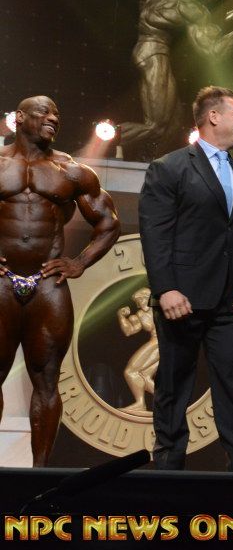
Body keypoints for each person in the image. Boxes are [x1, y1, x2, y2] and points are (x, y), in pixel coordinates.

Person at [139, 86, 233, 471]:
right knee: (173, 382)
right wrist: (166, 289)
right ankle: (168, 465)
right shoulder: (170, 167)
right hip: (182, 299)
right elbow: (155, 234)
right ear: (214, 117)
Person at [0, 95, 120, 466]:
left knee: (47, 379)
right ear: (20, 117)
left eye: (57, 113)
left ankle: (40, 475)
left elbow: (108, 223)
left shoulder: (71, 170)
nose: (53, 117)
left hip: (47, 285)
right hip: (1, 283)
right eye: (44, 112)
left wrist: (79, 261)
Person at [120, 0, 233, 160]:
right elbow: (212, 52)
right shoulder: (193, 8)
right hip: (153, 52)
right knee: (156, 124)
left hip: (151, 51)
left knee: (173, 123)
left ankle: (151, 160)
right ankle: (101, 143)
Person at [118, 287, 159, 415]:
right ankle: (169, 403)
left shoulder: (160, 307)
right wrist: (121, 316)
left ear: (148, 297)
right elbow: (129, 331)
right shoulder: (140, 315)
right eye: (137, 301)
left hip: (163, 343)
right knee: (144, 376)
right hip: (158, 343)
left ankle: (140, 404)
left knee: (130, 372)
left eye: (141, 299)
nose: (139, 303)